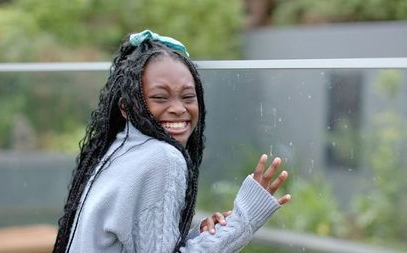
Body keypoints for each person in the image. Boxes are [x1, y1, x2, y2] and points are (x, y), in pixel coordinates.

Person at [53, 30, 291, 253]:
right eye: (160, 97)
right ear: (127, 107)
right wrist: (244, 219)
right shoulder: (164, 157)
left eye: (188, 96)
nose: (178, 108)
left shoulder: (119, 148)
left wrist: (197, 235)